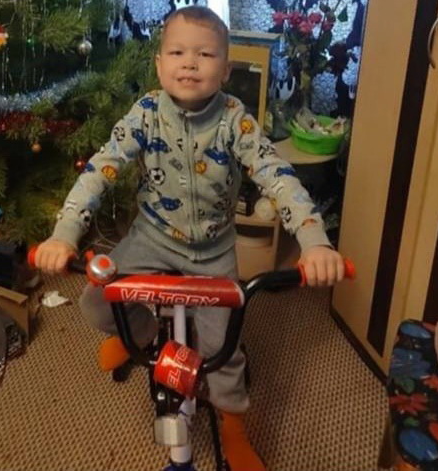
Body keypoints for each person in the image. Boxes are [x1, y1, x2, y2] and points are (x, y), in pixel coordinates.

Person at [34, 6, 345, 471]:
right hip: (151, 236)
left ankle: (233, 425)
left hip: (213, 251)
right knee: (98, 302)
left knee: (223, 351)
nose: (190, 63)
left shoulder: (235, 120)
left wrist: (315, 240)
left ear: (226, 69)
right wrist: (64, 235)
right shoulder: (145, 114)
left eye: (205, 54)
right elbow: (100, 170)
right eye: (177, 53)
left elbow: (277, 176)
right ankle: (140, 335)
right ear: (159, 64)